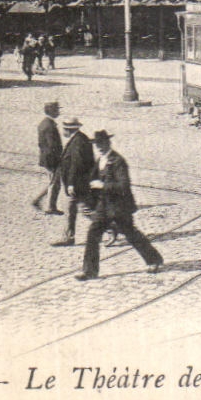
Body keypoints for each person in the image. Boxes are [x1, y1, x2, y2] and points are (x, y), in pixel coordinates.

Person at [75, 131, 164, 280]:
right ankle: (89, 271)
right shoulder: (100, 160)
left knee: (131, 234)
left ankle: (154, 260)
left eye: (102, 143)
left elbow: (123, 185)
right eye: (97, 144)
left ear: (108, 143)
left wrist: (103, 185)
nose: (99, 147)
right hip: (103, 206)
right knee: (93, 234)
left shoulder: (118, 161)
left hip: (119, 207)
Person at [52, 117, 96, 246]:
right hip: (79, 182)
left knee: (82, 210)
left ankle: (111, 227)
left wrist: (71, 183)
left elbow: (76, 164)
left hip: (77, 183)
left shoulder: (78, 141)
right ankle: (68, 237)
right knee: (78, 209)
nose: (63, 131)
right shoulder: (79, 139)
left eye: (64, 129)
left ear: (69, 129)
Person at [32, 101, 64, 214]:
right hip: (52, 159)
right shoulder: (50, 126)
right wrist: (59, 158)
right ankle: (50, 206)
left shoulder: (44, 123)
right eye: (57, 109)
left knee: (53, 182)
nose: (58, 112)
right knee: (55, 183)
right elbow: (53, 145)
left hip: (46, 157)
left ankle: (38, 201)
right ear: (51, 111)